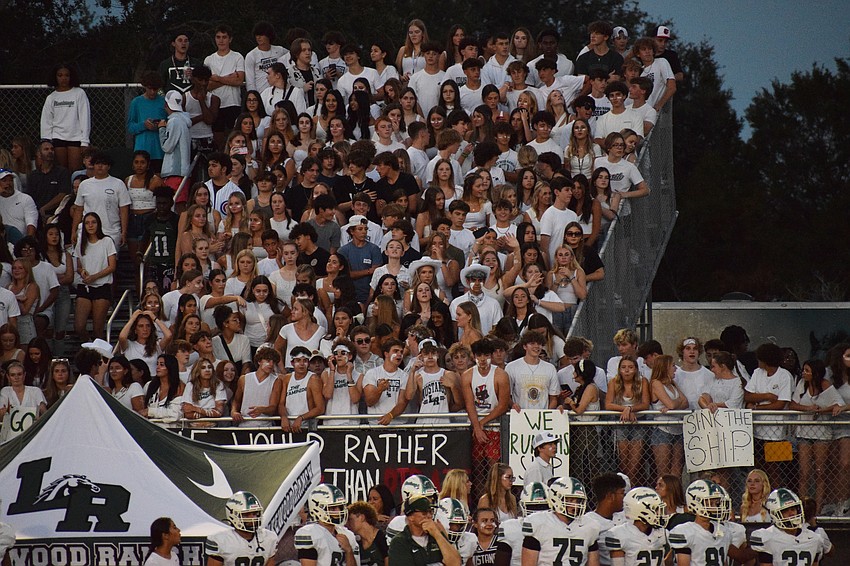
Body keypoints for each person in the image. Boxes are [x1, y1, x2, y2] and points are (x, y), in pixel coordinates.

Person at [521, 477, 599, 566]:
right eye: (570, 500)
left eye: (578, 501)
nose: (575, 505)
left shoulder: (590, 526)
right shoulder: (539, 523)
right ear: (556, 498)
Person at [744, 343, 792, 484]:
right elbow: (747, 396)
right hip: (757, 431)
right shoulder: (757, 373)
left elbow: (780, 404)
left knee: (775, 470)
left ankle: (775, 498)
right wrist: (767, 396)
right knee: (759, 469)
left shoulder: (785, 376)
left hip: (778, 432)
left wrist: (757, 408)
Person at [750, 488, 827, 566]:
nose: (791, 514)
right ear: (775, 514)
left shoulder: (814, 538)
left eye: (793, 509)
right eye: (785, 511)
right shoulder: (767, 537)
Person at [72, 151, 130, 248]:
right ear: (93, 165)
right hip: (87, 231)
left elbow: (124, 210)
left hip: (111, 231)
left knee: (110, 262)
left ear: (109, 166)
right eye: (97, 163)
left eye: (103, 164)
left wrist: (123, 232)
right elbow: (78, 210)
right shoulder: (84, 184)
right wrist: (73, 231)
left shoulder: (118, 183)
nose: (100, 166)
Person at [74, 212, 117, 341]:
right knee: (79, 326)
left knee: (98, 329)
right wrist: (83, 272)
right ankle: (89, 347)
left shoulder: (107, 241)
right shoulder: (81, 243)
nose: (90, 225)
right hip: (85, 287)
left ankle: (98, 355)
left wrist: (95, 277)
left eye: (93, 222)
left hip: (102, 287)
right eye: (87, 223)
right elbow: (79, 266)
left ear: (98, 224)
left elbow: (112, 266)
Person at [669, 479, 733, 566]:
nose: (715, 506)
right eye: (710, 502)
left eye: (716, 502)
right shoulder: (686, 532)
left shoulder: (724, 531)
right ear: (695, 502)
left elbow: (723, 562)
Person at [40, 63, 90, 172]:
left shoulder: (79, 93)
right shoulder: (51, 97)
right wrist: (46, 140)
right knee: (61, 170)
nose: (63, 78)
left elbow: (84, 117)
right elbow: (46, 120)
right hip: (57, 138)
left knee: (74, 171)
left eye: (67, 75)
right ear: (55, 77)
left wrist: (84, 141)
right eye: (60, 75)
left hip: (75, 137)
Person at [206, 491, 277, 566]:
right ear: (233, 515)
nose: (252, 518)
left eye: (255, 513)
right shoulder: (220, 540)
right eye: (246, 514)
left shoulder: (269, 538)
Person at [388, 494, 461, 566]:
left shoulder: (437, 535)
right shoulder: (399, 542)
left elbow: (456, 563)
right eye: (424, 513)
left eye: (430, 512)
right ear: (411, 517)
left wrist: (437, 534)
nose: (429, 516)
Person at [204, 25, 246, 149]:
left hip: (233, 103)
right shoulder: (209, 60)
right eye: (218, 37)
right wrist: (229, 78)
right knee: (218, 140)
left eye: (224, 37)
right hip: (215, 105)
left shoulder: (237, 57)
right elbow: (207, 85)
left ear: (230, 39)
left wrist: (217, 78)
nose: (221, 40)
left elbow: (239, 80)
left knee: (236, 137)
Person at [607, 488, 669, 566]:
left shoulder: (662, 533)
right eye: (655, 509)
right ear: (643, 511)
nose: (659, 513)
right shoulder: (619, 534)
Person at [506, 332, 559, 410]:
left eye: (539, 344)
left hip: (542, 417)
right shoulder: (511, 367)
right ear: (525, 346)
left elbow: (553, 397)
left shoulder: (550, 368)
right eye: (532, 343)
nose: (536, 346)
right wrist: (513, 405)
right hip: (520, 415)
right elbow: (506, 395)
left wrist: (548, 413)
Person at [230, 346, 282, 428]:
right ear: (259, 361)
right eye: (268, 361)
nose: (271, 364)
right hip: (244, 425)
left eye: (273, 362)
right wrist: (234, 412)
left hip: (265, 426)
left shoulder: (276, 381)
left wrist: (262, 410)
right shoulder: (244, 379)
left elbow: (273, 407)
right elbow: (236, 401)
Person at [279, 345, 325, 432]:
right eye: (298, 360)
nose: (301, 364)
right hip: (289, 426)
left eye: (305, 361)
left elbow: (320, 408)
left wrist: (301, 418)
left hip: (307, 426)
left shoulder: (313, 378)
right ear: (292, 363)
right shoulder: (286, 379)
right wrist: (284, 417)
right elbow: (281, 404)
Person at [584, 473, 627, 566]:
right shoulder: (589, 522)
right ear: (611, 496)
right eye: (622, 493)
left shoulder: (625, 517)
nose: (624, 498)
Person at [0, 170, 37, 243]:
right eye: (4, 181)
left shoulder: (25, 198)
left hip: (20, 240)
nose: (8, 183)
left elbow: (31, 223)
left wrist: (27, 243)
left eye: (10, 180)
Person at [347, 500, 387, 566]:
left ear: (362, 517)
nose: (348, 524)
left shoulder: (382, 537)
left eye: (350, 519)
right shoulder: (356, 543)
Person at [438, 497, 477, 564]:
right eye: (453, 524)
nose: (457, 529)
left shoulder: (469, 540)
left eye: (460, 525)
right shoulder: (430, 541)